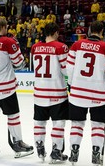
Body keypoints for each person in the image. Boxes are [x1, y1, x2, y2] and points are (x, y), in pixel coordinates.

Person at [0, 18, 33, 159]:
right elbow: (19, 63)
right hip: (5, 87)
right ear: (3, 27)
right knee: (13, 116)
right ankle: (17, 144)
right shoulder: (9, 41)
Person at [67, 21, 105, 165]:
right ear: (102, 31)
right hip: (99, 95)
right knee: (98, 125)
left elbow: (69, 68)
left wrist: (71, 85)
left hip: (77, 94)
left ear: (89, 30)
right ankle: (96, 151)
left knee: (77, 124)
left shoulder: (77, 45)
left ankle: (74, 151)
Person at [31, 23, 69, 163]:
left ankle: (40, 149)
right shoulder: (60, 47)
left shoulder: (35, 47)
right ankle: (56, 151)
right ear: (55, 32)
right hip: (56, 93)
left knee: (39, 123)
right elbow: (66, 70)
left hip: (39, 93)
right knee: (58, 123)